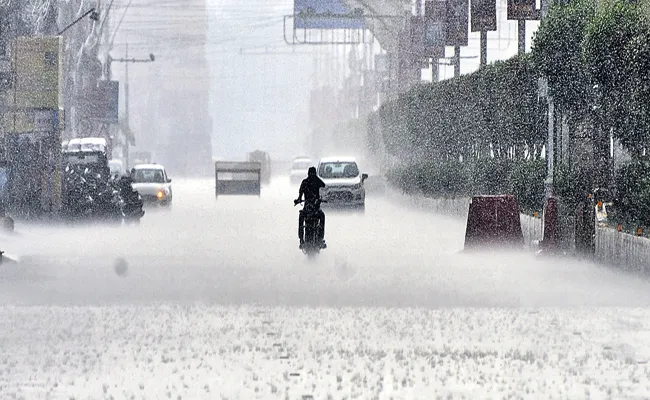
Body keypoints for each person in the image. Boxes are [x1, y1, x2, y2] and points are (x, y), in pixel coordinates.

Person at [294, 166, 326, 249]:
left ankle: (302, 240)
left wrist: (299, 200)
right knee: (322, 216)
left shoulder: (305, 182)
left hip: (308, 209)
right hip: (313, 210)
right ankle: (319, 239)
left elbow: (300, 195)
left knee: (301, 218)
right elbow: (323, 187)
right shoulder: (316, 181)